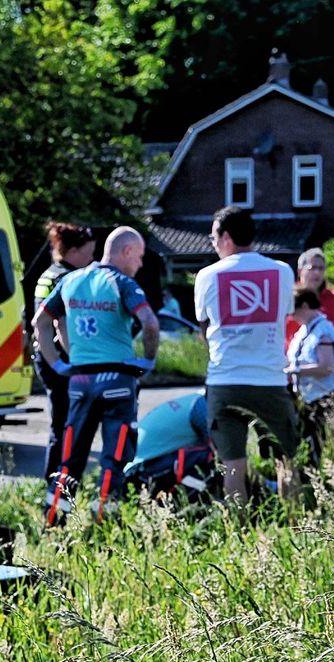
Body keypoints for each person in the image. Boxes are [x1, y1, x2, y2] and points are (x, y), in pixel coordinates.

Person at [34, 226, 160, 525]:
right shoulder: (122, 283)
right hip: (117, 380)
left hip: (79, 381)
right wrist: (147, 361)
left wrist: (56, 364)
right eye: (139, 256)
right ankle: (103, 527)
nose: (140, 264)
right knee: (113, 459)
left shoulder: (71, 280)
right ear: (126, 251)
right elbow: (150, 324)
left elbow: (41, 321)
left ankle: (52, 524)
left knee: (69, 460)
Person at [193, 206, 299, 504]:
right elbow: (284, 317)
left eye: (213, 237)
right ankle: (295, 526)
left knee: (231, 465)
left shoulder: (206, 276)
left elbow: (204, 327)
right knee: (285, 459)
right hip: (270, 381)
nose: (212, 243)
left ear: (226, 237)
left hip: (225, 380)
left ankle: (237, 525)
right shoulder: (282, 271)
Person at [32, 222, 97, 481]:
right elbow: (61, 324)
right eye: (89, 253)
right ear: (73, 252)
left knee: (60, 423)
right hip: (60, 359)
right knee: (65, 425)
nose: (91, 259)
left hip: (46, 356)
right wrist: (78, 361)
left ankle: (55, 483)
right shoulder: (66, 277)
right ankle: (56, 484)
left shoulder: (49, 273)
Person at [285, 247, 334, 402]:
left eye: (321, 268)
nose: (317, 273)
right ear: (300, 270)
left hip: (322, 384)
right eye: (312, 267)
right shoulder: (287, 297)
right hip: (290, 381)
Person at [286, 288, 334, 467]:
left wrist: (294, 371)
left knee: (324, 449)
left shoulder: (322, 330)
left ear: (304, 306)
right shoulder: (305, 330)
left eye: (293, 310)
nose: (291, 315)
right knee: (310, 448)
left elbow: (326, 366)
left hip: (323, 398)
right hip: (307, 398)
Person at [123, 391, 213, 500]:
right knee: (219, 457)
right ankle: (194, 503)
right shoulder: (204, 408)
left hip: (132, 469)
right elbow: (221, 450)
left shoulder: (193, 400)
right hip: (140, 471)